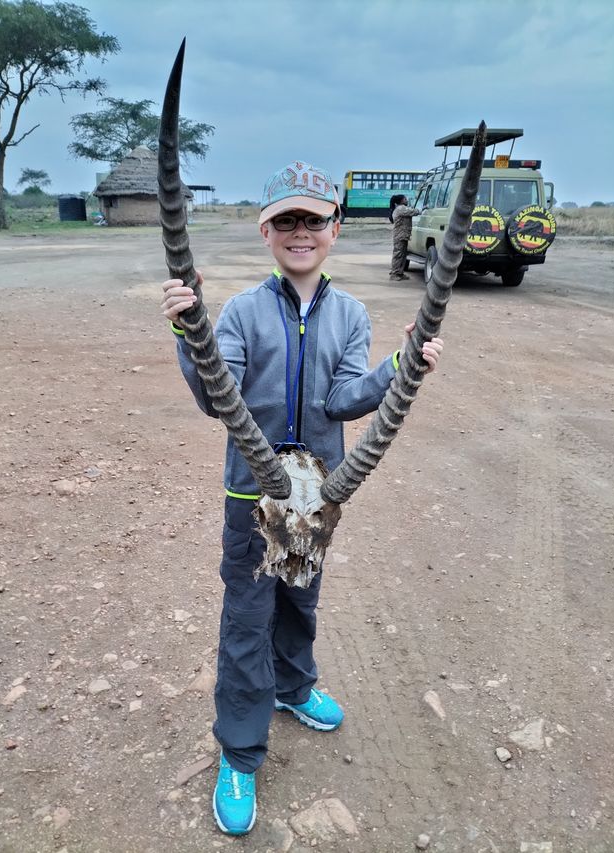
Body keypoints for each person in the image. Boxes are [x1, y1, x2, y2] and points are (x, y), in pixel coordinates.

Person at [160, 161, 443, 836]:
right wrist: (186, 329)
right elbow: (212, 395)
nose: (300, 231)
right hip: (251, 497)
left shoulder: (350, 313)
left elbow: (344, 398)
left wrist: (399, 367)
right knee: (248, 615)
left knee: (301, 598)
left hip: (317, 499)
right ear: (265, 230)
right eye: (286, 219)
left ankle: (293, 686)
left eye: (313, 220)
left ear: (334, 230)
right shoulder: (242, 311)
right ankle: (240, 750)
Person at [389, 193, 421, 281]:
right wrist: (422, 209)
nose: (406, 200)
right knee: (398, 254)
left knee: (402, 255)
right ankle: (394, 274)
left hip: (402, 235)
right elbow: (413, 211)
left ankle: (400, 273)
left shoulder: (399, 209)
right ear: (401, 201)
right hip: (400, 235)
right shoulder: (401, 209)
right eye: (405, 199)